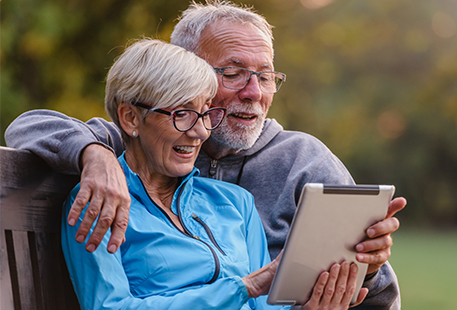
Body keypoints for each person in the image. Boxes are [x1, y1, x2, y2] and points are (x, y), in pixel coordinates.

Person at [5, 1, 406, 309]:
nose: (253, 92)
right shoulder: (121, 152)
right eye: (232, 73)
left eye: (265, 76)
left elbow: (376, 294)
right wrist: (92, 154)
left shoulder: (288, 170)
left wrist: (363, 266)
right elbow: (28, 125)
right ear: (186, 72)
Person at [62, 37, 367, 309]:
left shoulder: (235, 203)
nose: (199, 132)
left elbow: (265, 306)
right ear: (130, 118)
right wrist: (242, 288)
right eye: (181, 114)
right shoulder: (100, 202)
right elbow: (110, 307)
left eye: (206, 114)